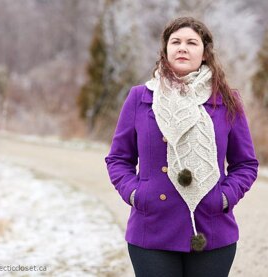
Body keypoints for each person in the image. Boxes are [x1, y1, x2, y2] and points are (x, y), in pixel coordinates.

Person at [105, 16, 259, 277]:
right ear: (165, 51)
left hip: (211, 228)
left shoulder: (227, 100)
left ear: (205, 52)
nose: (182, 47)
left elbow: (245, 164)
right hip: (152, 229)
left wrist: (223, 198)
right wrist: (136, 195)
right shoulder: (140, 97)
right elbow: (118, 159)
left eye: (191, 42)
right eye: (175, 42)